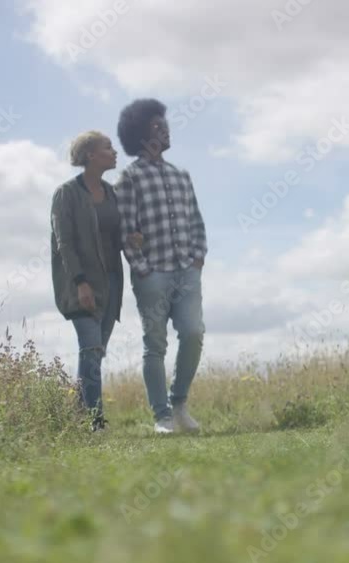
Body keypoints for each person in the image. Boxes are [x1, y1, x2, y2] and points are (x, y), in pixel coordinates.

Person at [114, 99, 208, 434]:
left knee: (194, 333)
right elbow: (125, 229)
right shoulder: (128, 178)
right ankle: (162, 416)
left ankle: (179, 403)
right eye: (156, 125)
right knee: (155, 344)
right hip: (152, 273)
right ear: (140, 134)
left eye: (164, 124)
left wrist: (198, 258)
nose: (164, 129)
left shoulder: (181, 176)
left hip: (186, 270)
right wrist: (141, 268)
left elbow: (196, 221)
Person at [51, 130, 141, 432]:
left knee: (95, 354)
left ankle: (73, 415)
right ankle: (96, 422)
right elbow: (65, 243)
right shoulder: (66, 194)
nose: (114, 153)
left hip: (112, 283)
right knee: (90, 349)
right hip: (80, 284)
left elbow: (113, 238)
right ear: (90, 154)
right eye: (108, 148)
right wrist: (80, 282)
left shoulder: (111, 193)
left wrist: (131, 239)